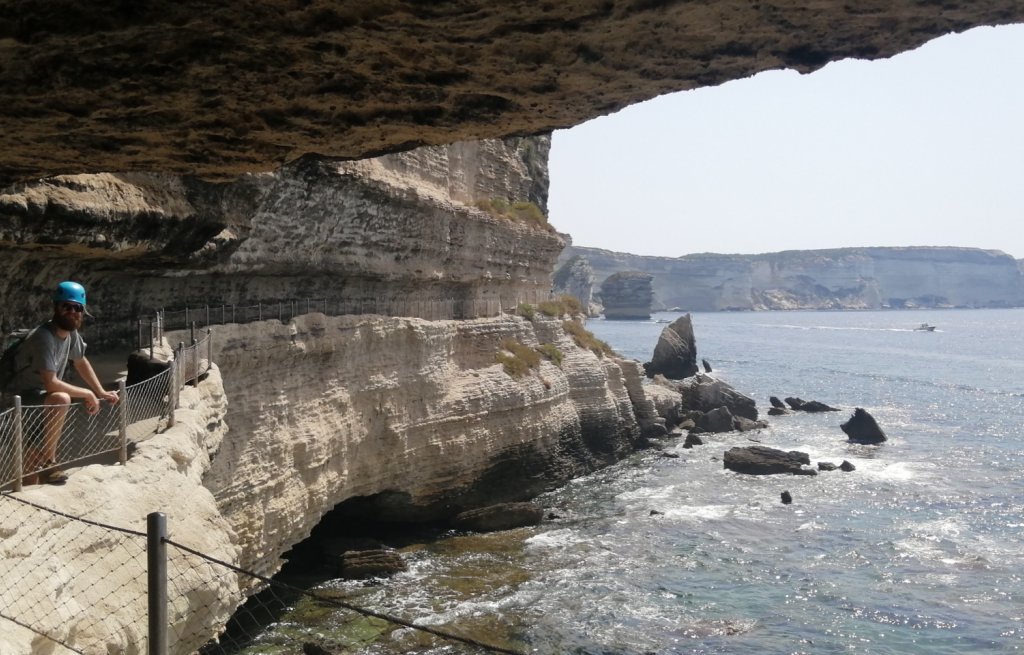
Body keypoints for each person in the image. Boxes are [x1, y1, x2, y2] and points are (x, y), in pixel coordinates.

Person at [8, 281, 119, 485]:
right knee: (61, 398)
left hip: (40, 399)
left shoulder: (71, 334)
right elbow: (51, 383)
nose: (72, 312)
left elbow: (80, 361)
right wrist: (87, 393)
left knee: (31, 461)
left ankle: (36, 485)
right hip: (19, 398)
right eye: (66, 306)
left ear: (83, 312)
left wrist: (101, 392)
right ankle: (49, 463)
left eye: (77, 308)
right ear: (56, 307)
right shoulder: (44, 337)